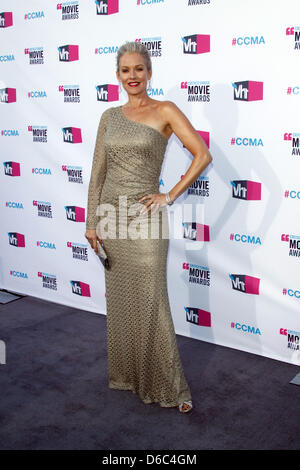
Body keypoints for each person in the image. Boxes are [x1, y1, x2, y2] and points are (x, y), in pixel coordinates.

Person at [85, 41, 212, 413]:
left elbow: (202, 154)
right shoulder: (109, 116)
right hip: (110, 214)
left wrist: (168, 196)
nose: (132, 76)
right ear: (117, 76)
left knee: (153, 299)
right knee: (123, 301)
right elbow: (98, 173)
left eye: (139, 69)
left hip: (144, 217)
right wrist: (92, 221)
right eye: (125, 70)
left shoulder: (166, 110)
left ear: (149, 72)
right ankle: (130, 375)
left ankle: (173, 389)